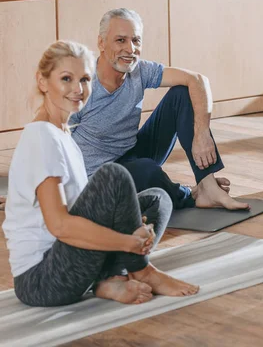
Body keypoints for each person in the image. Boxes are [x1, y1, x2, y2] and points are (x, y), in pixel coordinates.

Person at [2, 41, 199, 307]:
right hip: (42, 280)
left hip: (73, 261)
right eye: (66, 79)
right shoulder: (41, 137)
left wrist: (126, 219)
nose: (78, 89)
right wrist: (127, 241)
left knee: (157, 200)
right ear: (42, 81)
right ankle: (142, 271)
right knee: (113, 175)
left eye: (85, 79)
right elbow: (60, 225)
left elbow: (80, 209)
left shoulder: (64, 134)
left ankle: (108, 280)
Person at [69, 8, 248, 211]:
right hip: (99, 178)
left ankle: (208, 187)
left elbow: (198, 80)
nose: (130, 49)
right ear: (101, 43)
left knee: (182, 93)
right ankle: (189, 195)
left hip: (132, 153)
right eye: (121, 40)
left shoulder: (140, 70)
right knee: (147, 171)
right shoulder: (81, 85)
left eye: (136, 41)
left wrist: (202, 133)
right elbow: (57, 141)